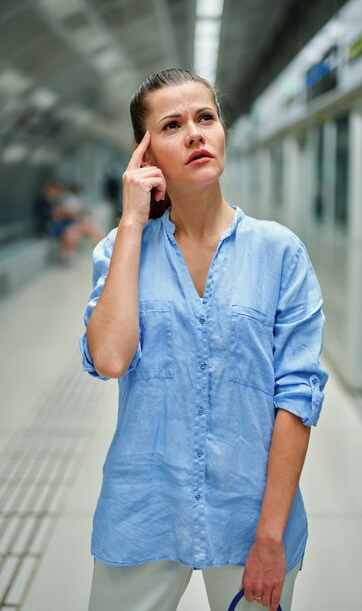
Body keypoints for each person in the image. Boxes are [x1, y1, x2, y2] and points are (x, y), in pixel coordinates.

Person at [79, 68, 328, 611]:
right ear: (144, 156)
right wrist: (130, 223)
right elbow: (111, 356)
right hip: (143, 508)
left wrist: (270, 536)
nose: (195, 133)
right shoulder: (121, 252)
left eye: (206, 118)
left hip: (252, 513)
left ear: (222, 133)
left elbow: (298, 397)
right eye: (172, 125)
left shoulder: (278, 253)